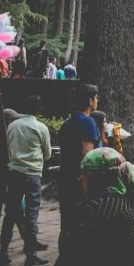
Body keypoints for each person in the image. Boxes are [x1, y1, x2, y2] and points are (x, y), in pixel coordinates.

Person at [43, 148, 134, 266]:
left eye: (84, 173)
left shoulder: (97, 209)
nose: (79, 179)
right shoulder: (132, 206)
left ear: (98, 177)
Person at [0, 95, 51, 266]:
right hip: (32, 174)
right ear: (39, 110)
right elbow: (47, 154)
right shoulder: (41, 127)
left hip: (14, 173)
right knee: (32, 214)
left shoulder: (12, 126)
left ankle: (2, 254)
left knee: (10, 214)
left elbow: (9, 149)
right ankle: (31, 256)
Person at [58, 84, 101, 243]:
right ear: (90, 101)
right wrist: (86, 180)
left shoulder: (67, 123)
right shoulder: (88, 122)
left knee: (67, 225)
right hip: (81, 180)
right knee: (83, 223)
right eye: (96, 98)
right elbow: (87, 154)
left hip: (65, 177)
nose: (97, 101)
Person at [0, 108, 26, 260]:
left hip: (0, 177)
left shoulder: (3, 135)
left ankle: (27, 240)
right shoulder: (2, 138)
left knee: (11, 211)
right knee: (6, 211)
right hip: (2, 178)